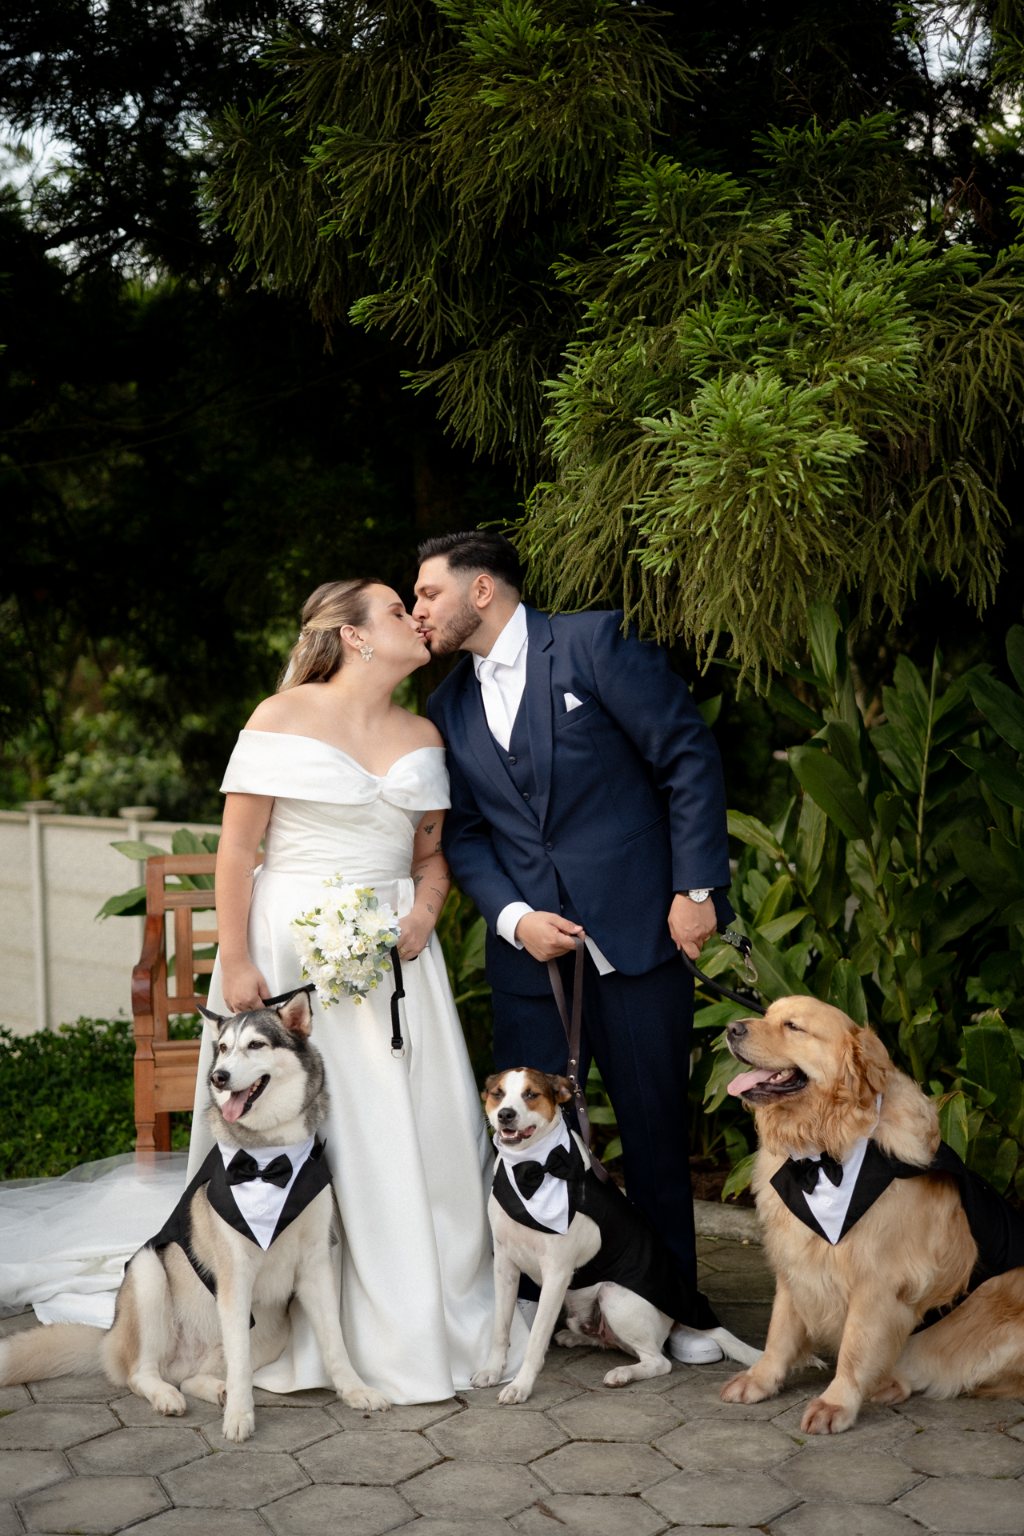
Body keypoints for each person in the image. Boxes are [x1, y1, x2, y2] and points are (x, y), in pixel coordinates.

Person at [182, 577, 526, 1404]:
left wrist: (426, 915)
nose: (418, 620)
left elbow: (429, 859)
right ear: (356, 635)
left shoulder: (424, 733)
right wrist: (235, 961)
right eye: (400, 611)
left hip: (394, 960)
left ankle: (411, 1313)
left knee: (407, 1129)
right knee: (291, 1125)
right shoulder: (280, 717)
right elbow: (236, 853)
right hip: (286, 947)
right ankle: (272, 1311)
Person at [413, 531, 734, 1362]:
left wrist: (695, 891)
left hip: (640, 932)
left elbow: (686, 756)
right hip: (531, 960)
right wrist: (515, 917)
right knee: (525, 1140)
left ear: (481, 590)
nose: (419, 612)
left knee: (655, 1132)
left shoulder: (595, 642)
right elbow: (471, 835)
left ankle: (678, 1311)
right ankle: (538, 1321)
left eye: (427, 595)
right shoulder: (445, 706)